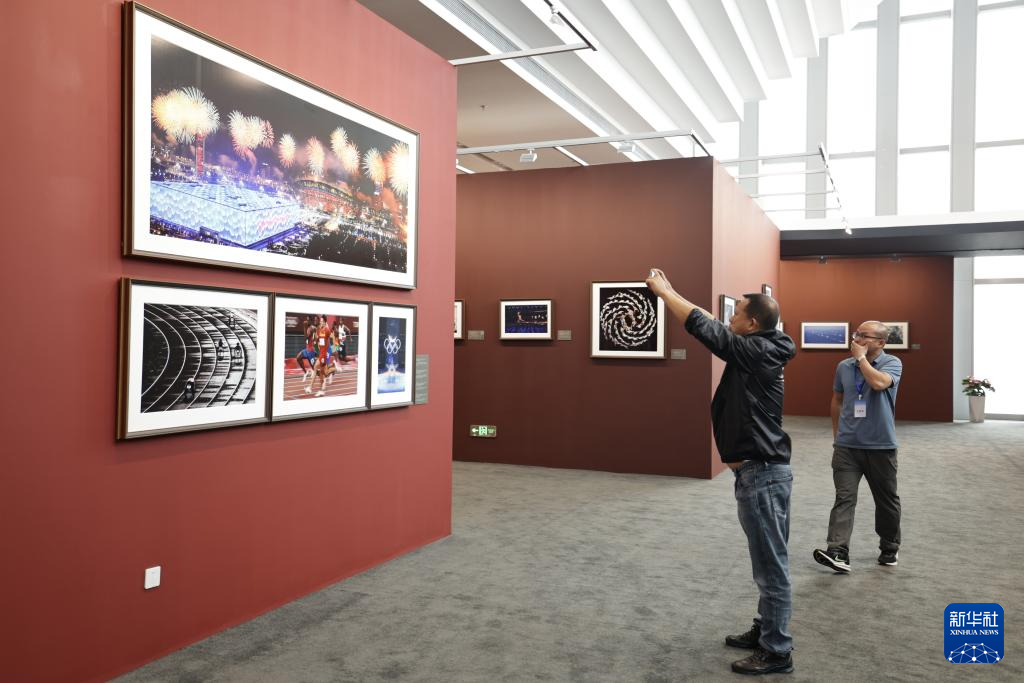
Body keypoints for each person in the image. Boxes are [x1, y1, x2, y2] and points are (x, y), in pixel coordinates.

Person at [646, 269, 796, 676]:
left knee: (771, 566)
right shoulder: (762, 347)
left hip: (762, 473)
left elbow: (707, 329)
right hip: (761, 472)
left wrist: (665, 293)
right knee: (767, 560)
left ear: (753, 323)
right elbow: (714, 326)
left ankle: (777, 650)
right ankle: (766, 629)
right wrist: (673, 291)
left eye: (736, 314)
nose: (729, 319)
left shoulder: (758, 351)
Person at [813, 321, 903, 573]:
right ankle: (838, 551)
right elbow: (837, 400)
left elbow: (879, 383)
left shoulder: (892, 363)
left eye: (864, 336)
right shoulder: (844, 366)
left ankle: (889, 546)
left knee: (885, 500)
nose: (857, 339)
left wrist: (862, 359)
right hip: (847, 447)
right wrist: (837, 435)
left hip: (881, 446)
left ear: (881, 343)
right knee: (844, 498)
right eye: (856, 334)